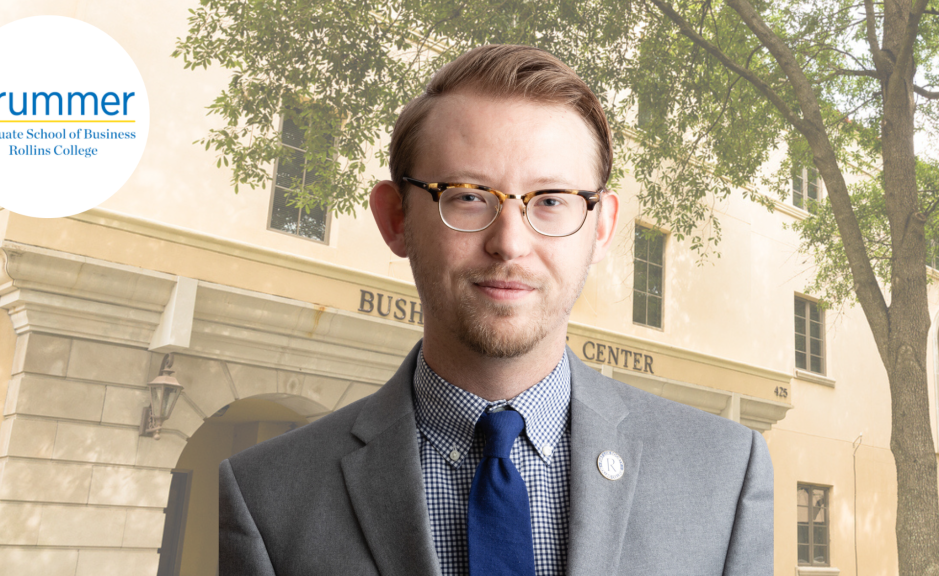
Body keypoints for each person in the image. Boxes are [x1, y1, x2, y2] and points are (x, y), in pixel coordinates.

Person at [220, 44, 773, 576]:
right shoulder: (266, 496)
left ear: (601, 228)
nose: (509, 243)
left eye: (551, 200)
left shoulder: (722, 474)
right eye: (467, 195)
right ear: (395, 219)